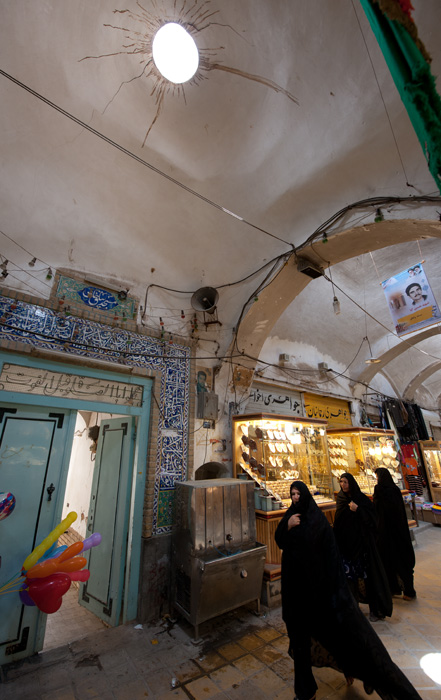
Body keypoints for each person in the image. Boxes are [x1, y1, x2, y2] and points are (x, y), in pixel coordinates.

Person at [275, 480, 423, 700]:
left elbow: (330, 560)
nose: (296, 498)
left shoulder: (318, 523)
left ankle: (350, 668)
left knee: (339, 638)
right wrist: (287, 527)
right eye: (293, 494)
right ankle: (305, 691)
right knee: (299, 641)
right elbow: (280, 540)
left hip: (317, 595)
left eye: (298, 494)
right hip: (295, 595)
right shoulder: (290, 517)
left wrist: (335, 593)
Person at [333, 473, 392, 622]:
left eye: (346, 482)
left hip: (363, 546)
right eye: (341, 482)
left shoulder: (361, 499)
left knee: (368, 578)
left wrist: (358, 510)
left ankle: (375, 609)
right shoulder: (341, 499)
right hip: (347, 547)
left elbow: (373, 519)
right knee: (350, 580)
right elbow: (339, 522)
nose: (343, 485)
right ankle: (354, 609)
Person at [373, 467, 416, 600]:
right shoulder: (395, 489)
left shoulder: (379, 490)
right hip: (399, 531)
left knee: (388, 560)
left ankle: (393, 588)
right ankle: (408, 590)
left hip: (385, 531)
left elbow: (377, 509)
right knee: (401, 560)